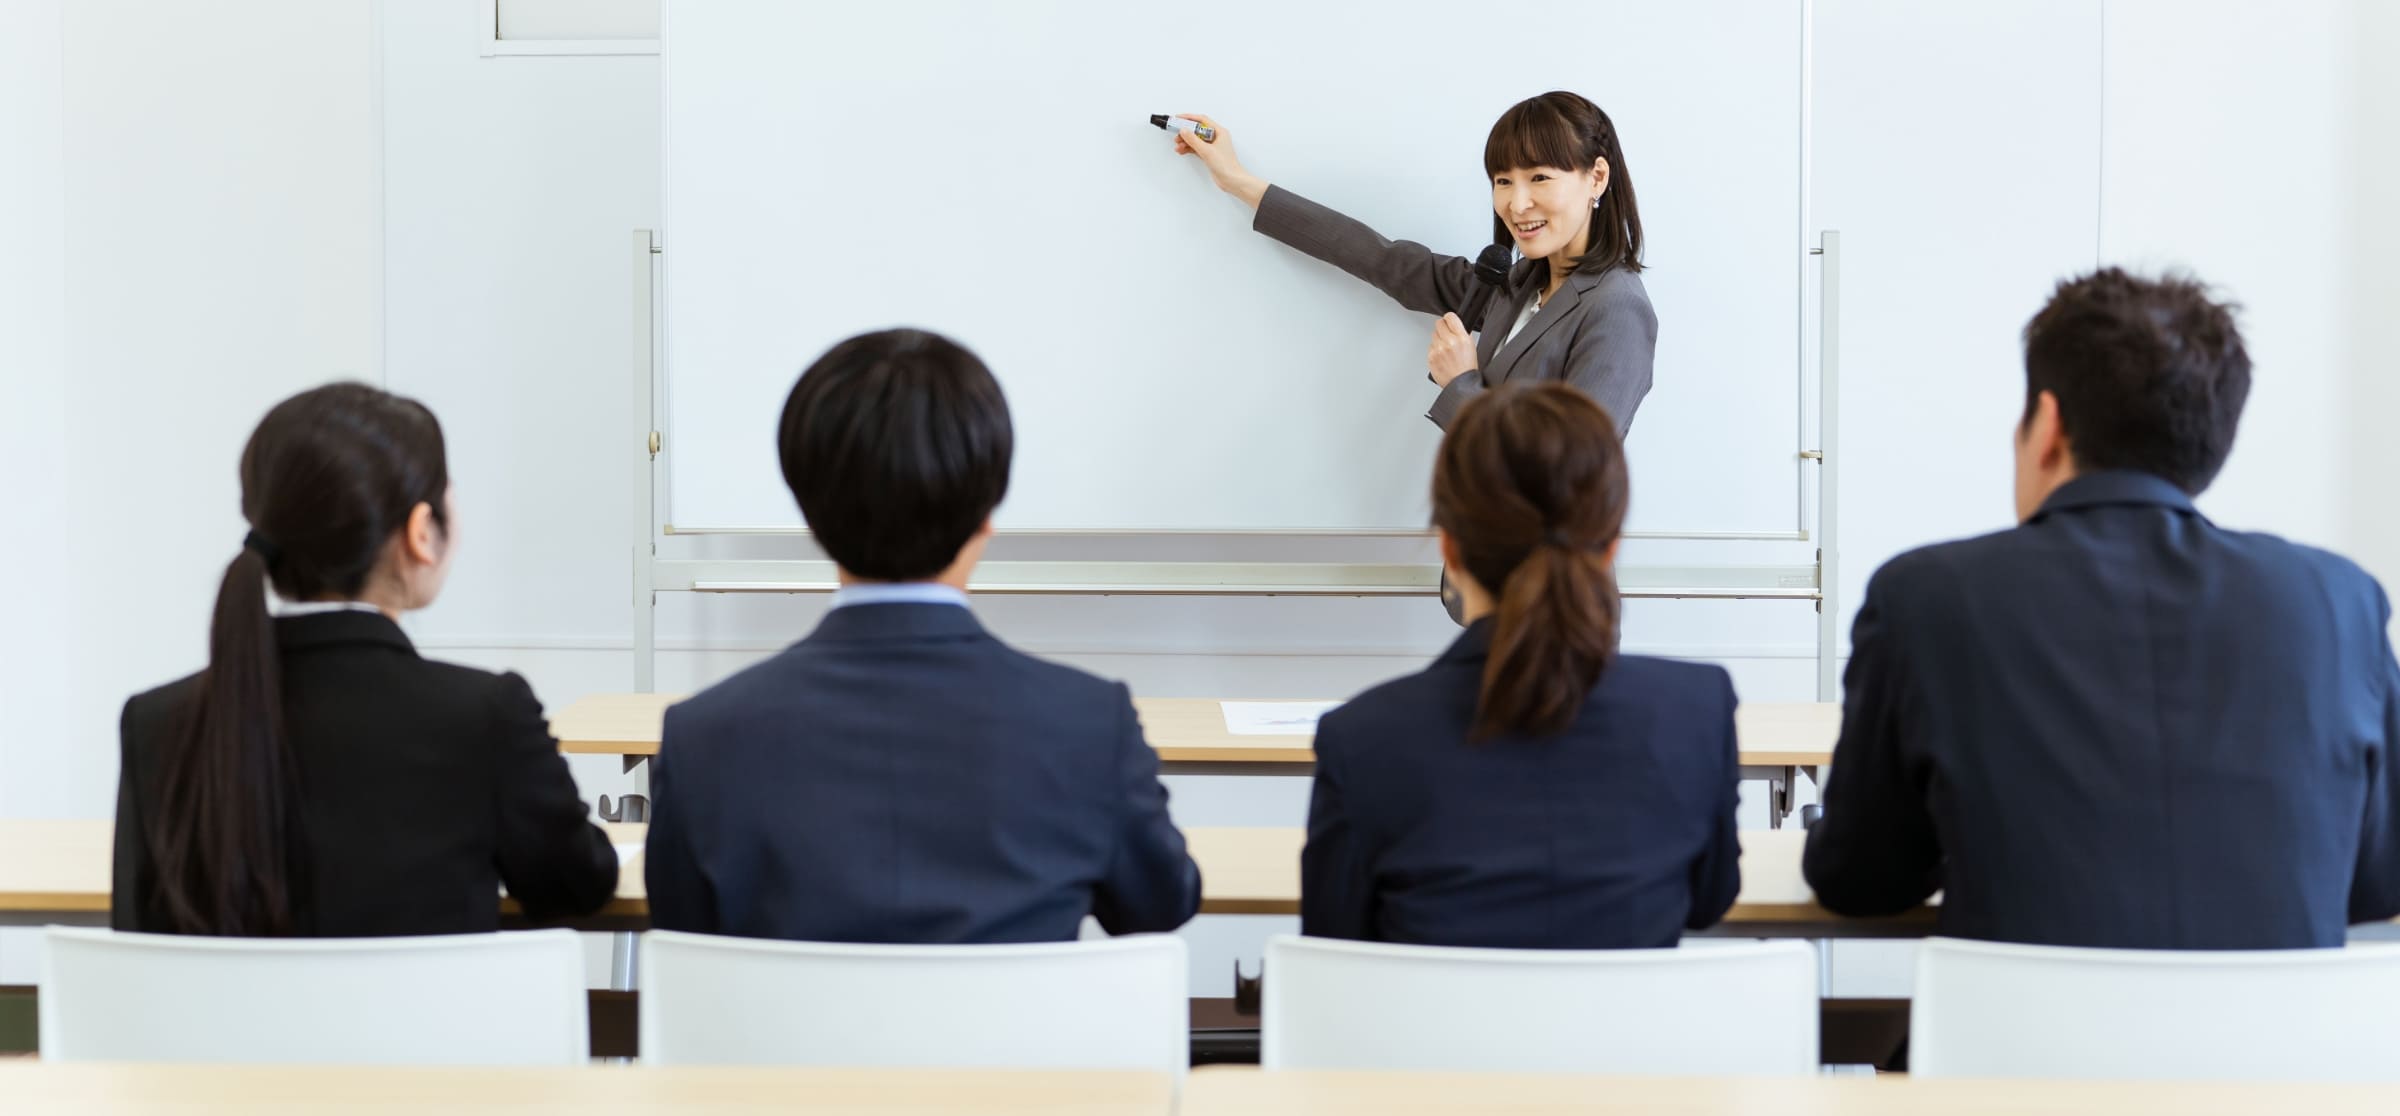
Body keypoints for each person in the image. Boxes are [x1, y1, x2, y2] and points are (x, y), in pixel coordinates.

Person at [1804, 268, 2400, 948]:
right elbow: (2378, 883)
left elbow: (1860, 880)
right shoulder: (2338, 601)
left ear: (2048, 424)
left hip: (2011, 1021)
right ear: (2214, 439)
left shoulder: (1925, 596)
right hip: (2270, 1023)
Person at [644, 328, 1202, 942]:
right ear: (988, 509)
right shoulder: (1089, 725)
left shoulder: (703, 739)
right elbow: (1161, 906)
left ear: (808, 511)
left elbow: (684, 940)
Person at [114, 383, 617, 936]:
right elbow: (577, 885)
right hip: (433, 1001)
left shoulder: (155, 724)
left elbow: (141, 930)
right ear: (420, 533)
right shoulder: (486, 715)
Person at [1300, 382, 1741, 948]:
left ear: (1449, 549)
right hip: (1625, 1012)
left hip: (1438, 1012)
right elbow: (1708, 900)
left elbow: (1335, 944)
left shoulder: (1361, 740)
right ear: (1609, 546)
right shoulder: (1696, 713)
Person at [1172, 91, 1655, 437]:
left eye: (1540, 178)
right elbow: (1385, 260)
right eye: (1503, 181)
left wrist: (1462, 384)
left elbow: (1571, 479)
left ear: (1596, 177)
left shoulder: (1616, 308)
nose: (1517, 203)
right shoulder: (1520, 283)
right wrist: (1237, 182)